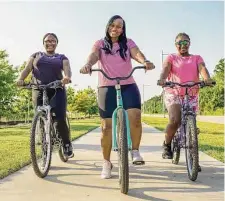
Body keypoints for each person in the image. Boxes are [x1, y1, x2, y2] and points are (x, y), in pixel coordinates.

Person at [80, 15, 155, 179]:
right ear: (108, 26)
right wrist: (88, 65)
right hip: (106, 86)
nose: (116, 29)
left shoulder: (128, 42)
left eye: (119, 26)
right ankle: (106, 162)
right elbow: (93, 55)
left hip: (128, 84)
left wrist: (145, 61)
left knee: (135, 117)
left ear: (123, 29)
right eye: (113, 25)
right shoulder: (100, 43)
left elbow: (136, 53)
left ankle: (135, 150)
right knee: (106, 127)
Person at [157, 32, 214, 170]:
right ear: (176, 45)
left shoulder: (196, 58)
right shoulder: (171, 57)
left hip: (192, 93)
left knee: (192, 124)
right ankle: (167, 144)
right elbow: (165, 69)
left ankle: (193, 158)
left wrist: (207, 79)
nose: (183, 45)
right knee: (175, 120)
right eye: (180, 43)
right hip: (174, 92)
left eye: (186, 42)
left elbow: (202, 69)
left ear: (189, 43)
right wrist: (163, 79)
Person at [16, 33, 74, 158]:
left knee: (59, 119)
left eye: (53, 41)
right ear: (43, 43)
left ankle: (66, 143)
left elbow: (67, 68)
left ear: (56, 43)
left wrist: (67, 77)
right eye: (47, 41)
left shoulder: (61, 57)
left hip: (56, 88)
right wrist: (21, 79)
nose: (50, 43)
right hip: (38, 88)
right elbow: (27, 69)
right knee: (40, 118)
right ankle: (45, 149)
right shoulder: (36, 55)